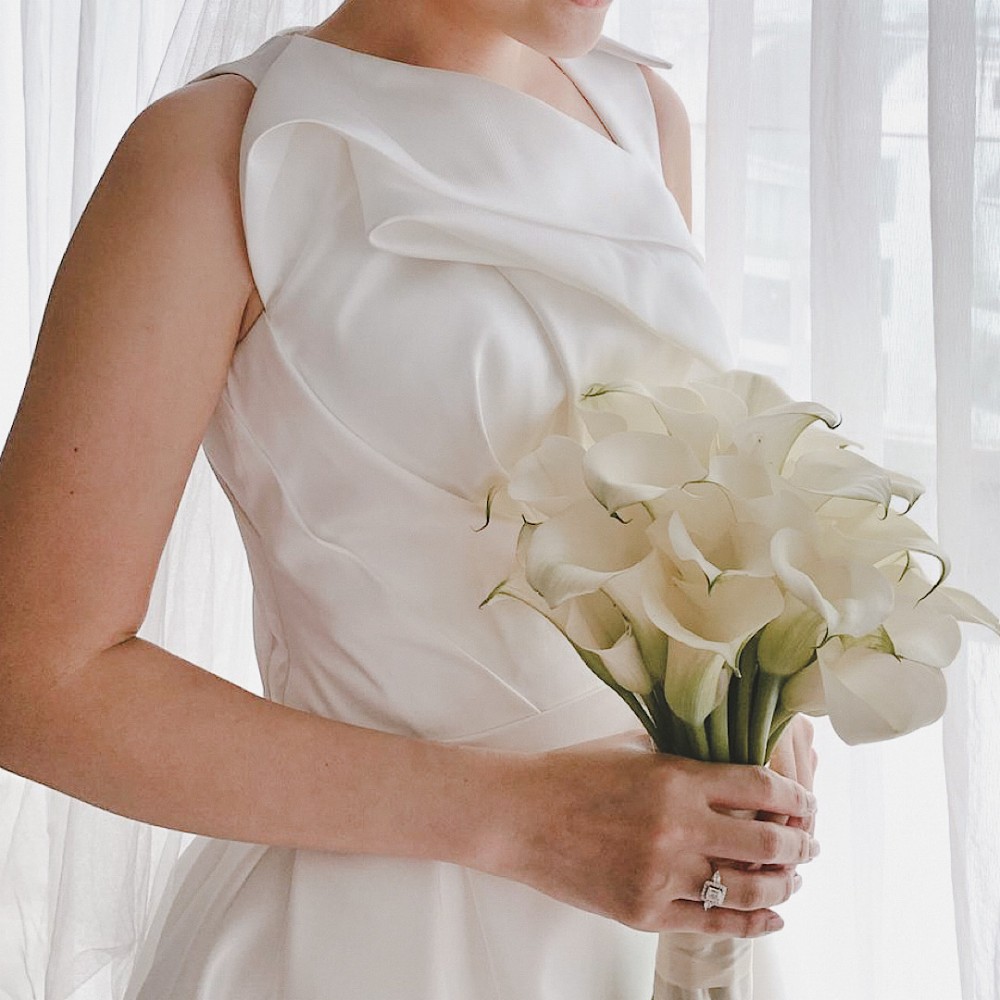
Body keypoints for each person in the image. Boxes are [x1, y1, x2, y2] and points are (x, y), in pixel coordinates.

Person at [0, 1, 819, 997]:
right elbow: (34, 679)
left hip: (647, 930)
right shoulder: (220, 155)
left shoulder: (641, 113)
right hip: (366, 945)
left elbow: (658, 505)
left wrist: (751, 704)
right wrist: (525, 820)